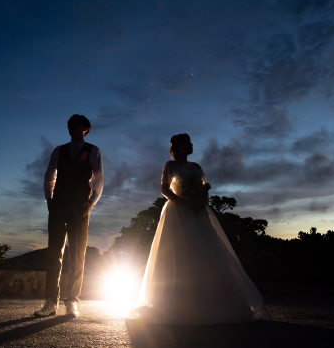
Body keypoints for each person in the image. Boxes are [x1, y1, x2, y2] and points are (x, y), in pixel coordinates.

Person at [131, 133, 271, 324]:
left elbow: (205, 186)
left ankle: (217, 302)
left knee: (209, 249)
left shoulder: (196, 167)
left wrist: (200, 199)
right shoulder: (170, 165)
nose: (191, 145)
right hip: (179, 210)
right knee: (181, 251)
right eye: (188, 143)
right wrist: (182, 202)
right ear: (179, 146)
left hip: (199, 210)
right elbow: (164, 189)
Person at [34, 114, 103, 319]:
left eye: (76, 125)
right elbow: (49, 176)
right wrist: (49, 199)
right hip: (58, 207)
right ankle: (50, 302)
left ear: (86, 129)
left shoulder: (93, 150)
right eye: (69, 125)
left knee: (77, 255)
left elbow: (99, 178)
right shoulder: (59, 150)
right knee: (54, 253)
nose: (72, 128)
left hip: (80, 208)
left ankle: (71, 301)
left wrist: (91, 204)